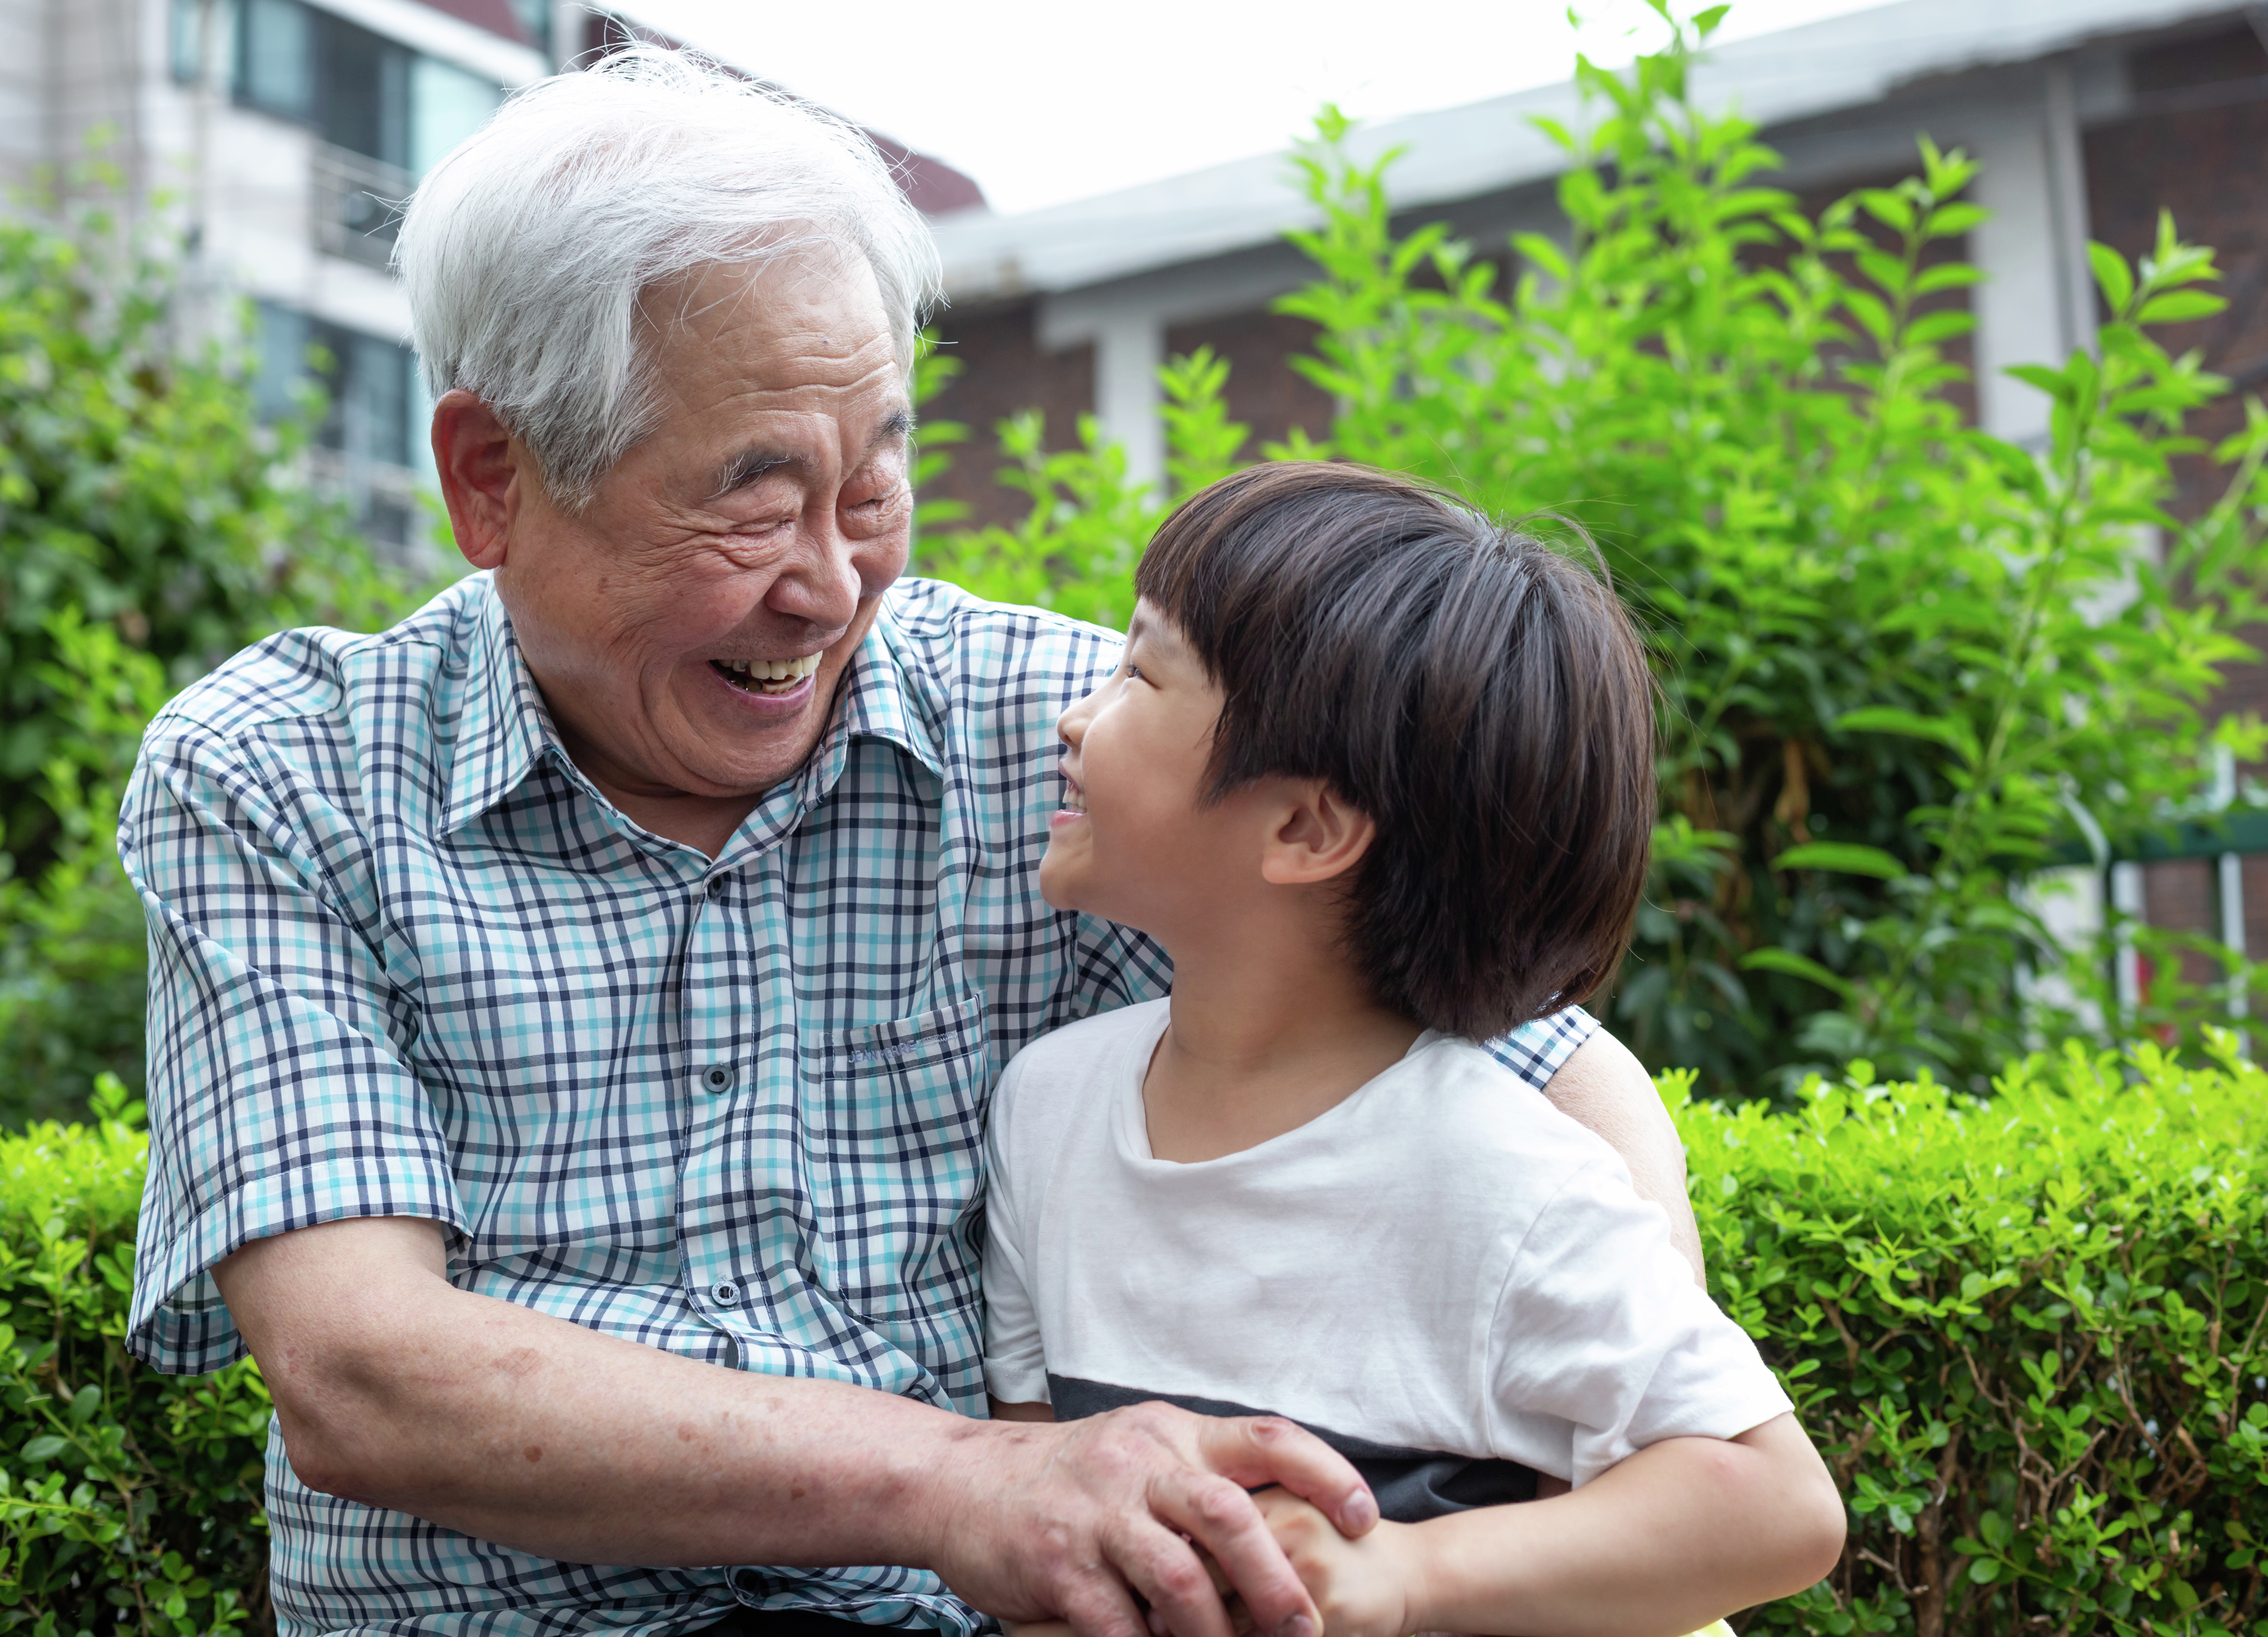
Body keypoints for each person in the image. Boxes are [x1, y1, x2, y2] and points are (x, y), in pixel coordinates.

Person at [115, 44, 1707, 1637]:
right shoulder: (286, 775)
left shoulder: (1054, 737)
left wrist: (1613, 1442)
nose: (827, 584)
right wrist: (962, 1485)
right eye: (753, 497)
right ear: (493, 478)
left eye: (871, 476)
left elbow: (1534, 1064)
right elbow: (365, 1374)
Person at [981, 463, 1845, 1637]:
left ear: (1305, 826)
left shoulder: (1505, 1180)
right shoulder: (1048, 1110)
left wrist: (1406, 1575)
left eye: (1140, 672)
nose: (1075, 717)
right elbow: (1040, 1488)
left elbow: (1779, 1507)